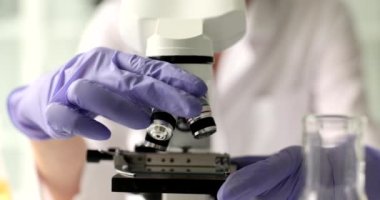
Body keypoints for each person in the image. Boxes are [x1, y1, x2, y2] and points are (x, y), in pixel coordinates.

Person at [6, 0, 380, 199]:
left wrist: (333, 177)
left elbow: (355, 148)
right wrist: (40, 129)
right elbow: (85, 187)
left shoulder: (317, 17)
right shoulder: (115, 24)